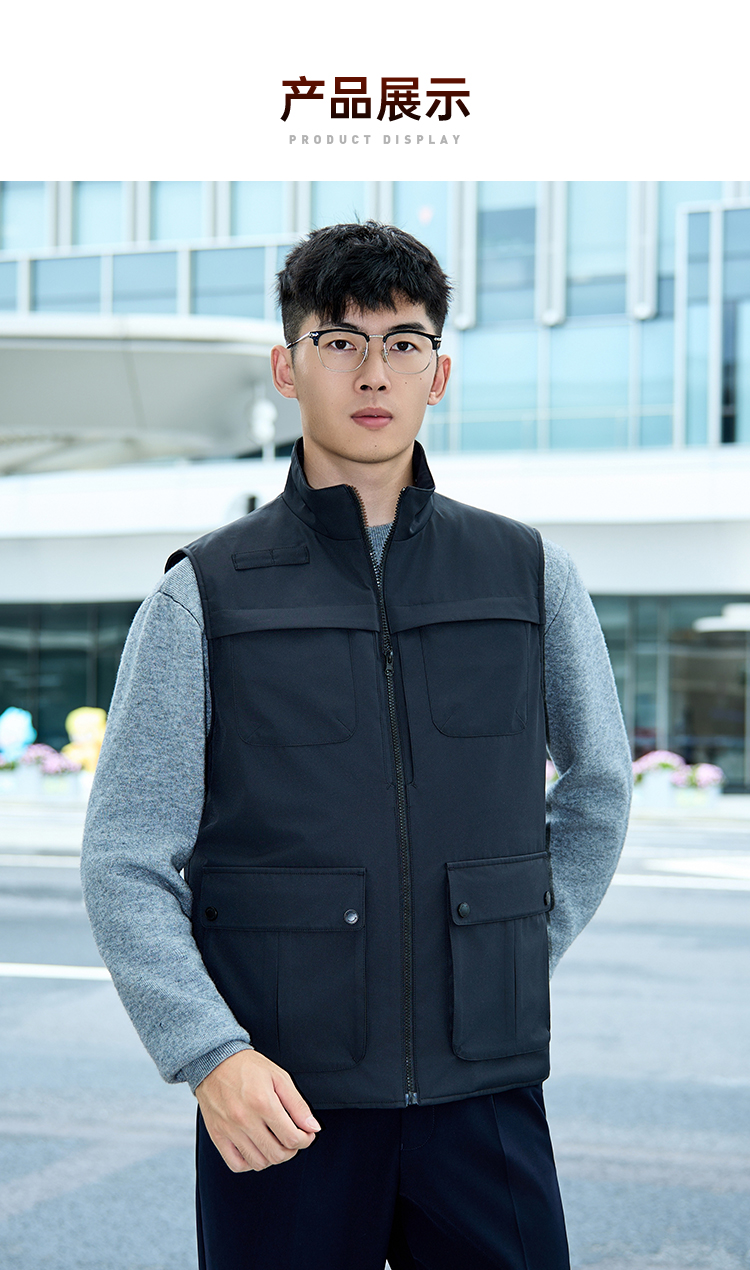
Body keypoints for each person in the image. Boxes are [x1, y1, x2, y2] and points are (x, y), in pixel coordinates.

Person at [81, 221, 632, 1270]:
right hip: (280, 1098)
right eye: (339, 341)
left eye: (404, 343)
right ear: (288, 367)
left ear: (440, 374)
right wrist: (209, 1054)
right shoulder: (203, 594)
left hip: (484, 1093)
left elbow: (600, 787)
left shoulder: (529, 575)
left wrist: (512, 951)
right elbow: (125, 853)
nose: (374, 372)